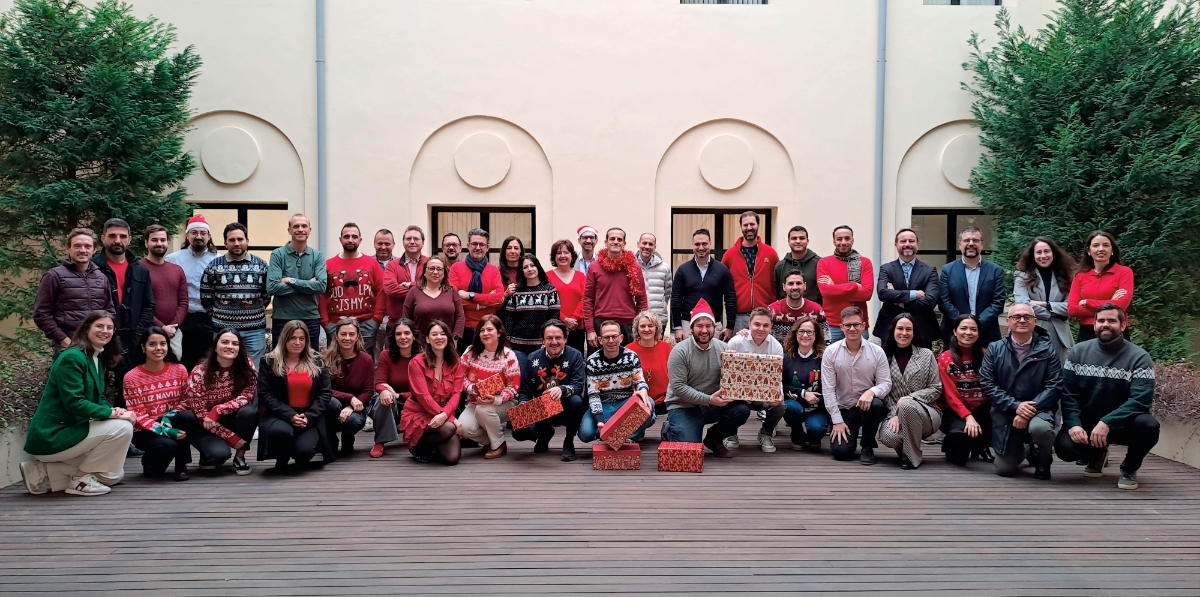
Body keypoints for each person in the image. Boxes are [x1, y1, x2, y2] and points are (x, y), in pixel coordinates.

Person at [20, 311, 134, 497]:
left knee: (113, 475)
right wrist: (113, 415)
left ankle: (41, 471)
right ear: (86, 329)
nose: (105, 331)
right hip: (53, 435)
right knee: (123, 427)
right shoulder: (72, 357)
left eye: (109, 327)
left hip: (75, 430)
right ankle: (79, 481)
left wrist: (113, 410)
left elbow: (98, 398)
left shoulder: (97, 358)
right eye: (99, 326)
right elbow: (74, 403)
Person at [1054, 304, 1159, 490]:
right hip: (1088, 422)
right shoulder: (1078, 352)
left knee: (1149, 426)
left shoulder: (1139, 357)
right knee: (1065, 448)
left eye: (1111, 320)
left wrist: (1107, 422)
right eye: (1101, 320)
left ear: (1123, 325)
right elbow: (1069, 394)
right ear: (1094, 324)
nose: (1105, 324)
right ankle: (1097, 454)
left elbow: (1140, 401)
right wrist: (1074, 423)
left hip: (1123, 424)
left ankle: (1129, 468)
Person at [979, 303, 1060, 479]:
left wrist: (1027, 410)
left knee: (1041, 429)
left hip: (1039, 409)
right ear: (1008, 321)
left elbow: (1054, 385)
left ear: (1035, 321)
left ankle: (1044, 460)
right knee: (1005, 469)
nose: (1022, 320)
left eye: (1027, 317)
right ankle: (1028, 449)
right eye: (1016, 317)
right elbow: (987, 383)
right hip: (1006, 410)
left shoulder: (1048, 349)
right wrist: (1016, 406)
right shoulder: (994, 348)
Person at [662, 299, 750, 457]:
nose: (704, 330)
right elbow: (679, 388)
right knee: (690, 451)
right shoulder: (680, 351)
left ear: (714, 328)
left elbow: (733, 383)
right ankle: (670, 429)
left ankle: (714, 439)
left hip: (711, 404)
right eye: (699, 326)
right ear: (691, 328)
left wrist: (732, 365)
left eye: (708, 326)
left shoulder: (723, 348)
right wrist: (709, 400)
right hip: (684, 406)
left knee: (741, 410)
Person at [174, 329, 258, 476]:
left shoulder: (247, 365)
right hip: (204, 422)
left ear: (240, 348)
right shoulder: (199, 371)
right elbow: (199, 411)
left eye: (234, 343)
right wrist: (228, 436)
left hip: (229, 416)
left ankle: (240, 457)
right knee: (218, 455)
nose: (230, 346)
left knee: (249, 412)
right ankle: (207, 454)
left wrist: (218, 410)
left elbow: (247, 396)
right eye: (225, 342)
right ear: (215, 347)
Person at [92, 218, 155, 413]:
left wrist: (138, 333)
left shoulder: (140, 270)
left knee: (127, 392)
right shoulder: (92, 268)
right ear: (103, 238)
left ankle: (125, 429)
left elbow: (148, 305)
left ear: (129, 239)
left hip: (131, 339)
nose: (117, 240)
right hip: (100, 338)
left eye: (122, 236)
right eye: (112, 236)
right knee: (95, 388)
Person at [257, 320, 334, 472]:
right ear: (284, 339)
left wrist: (309, 416)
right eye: (292, 338)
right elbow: (264, 394)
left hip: (308, 416)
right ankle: (282, 456)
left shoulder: (317, 360)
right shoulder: (269, 361)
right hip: (280, 414)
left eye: (301, 338)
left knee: (304, 452)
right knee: (281, 432)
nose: (297, 342)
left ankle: (298, 450)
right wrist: (290, 415)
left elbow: (325, 393)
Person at [821, 306, 890, 464]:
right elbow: (828, 390)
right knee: (841, 453)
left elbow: (885, 383)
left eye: (856, 324)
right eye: (848, 325)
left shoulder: (877, 352)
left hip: (867, 407)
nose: (852, 329)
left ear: (863, 325)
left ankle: (867, 446)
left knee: (876, 404)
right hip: (844, 408)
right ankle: (845, 432)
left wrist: (871, 392)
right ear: (841, 327)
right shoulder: (831, 352)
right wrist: (837, 421)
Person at [121, 326, 190, 481]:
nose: (158, 348)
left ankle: (181, 466)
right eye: (152, 344)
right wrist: (164, 430)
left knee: (187, 417)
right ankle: (149, 463)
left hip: (171, 421)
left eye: (163, 344)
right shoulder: (131, 377)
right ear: (143, 348)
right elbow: (137, 415)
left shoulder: (179, 369)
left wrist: (168, 417)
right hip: (145, 430)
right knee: (166, 449)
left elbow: (187, 401)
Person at [512, 319, 587, 461]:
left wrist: (562, 389)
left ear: (565, 339)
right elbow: (525, 391)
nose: (554, 342)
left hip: (566, 406)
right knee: (518, 431)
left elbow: (578, 386)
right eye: (549, 338)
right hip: (543, 407)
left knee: (576, 401)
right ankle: (545, 433)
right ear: (543, 340)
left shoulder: (575, 355)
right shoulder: (532, 358)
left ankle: (569, 441)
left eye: (558, 337)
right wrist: (523, 405)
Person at [200, 223, 271, 369]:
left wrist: (252, 311)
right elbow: (206, 297)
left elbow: (267, 294)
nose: (236, 243)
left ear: (247, 241)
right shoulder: (213, 266)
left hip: (254, 330)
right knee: (224, 370)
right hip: (223, 330)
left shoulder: (262, 265)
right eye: (232, 240)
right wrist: (221, 314)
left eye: (240, 239)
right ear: (225, 243)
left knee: (253, 371)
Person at [876, 314, 942, 469]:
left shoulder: (926, 355)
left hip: (927, 412)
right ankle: (908, 447)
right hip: (894, 412)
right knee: (888, 437)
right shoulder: (883, 357)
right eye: (900, 328)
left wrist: (911, 398)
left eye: (908, 329)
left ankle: (911, 458)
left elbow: (936, 388)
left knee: (907, 405)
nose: (904, 333)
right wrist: (896, 414)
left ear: (914, 332)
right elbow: (883, 391)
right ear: (893, 331)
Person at [33, 228, 114, 355]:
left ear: (94, 250)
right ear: (68, 249)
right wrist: (65, 341)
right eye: (77, 246)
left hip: (96, 348)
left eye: (87, 246)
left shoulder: (101, 278)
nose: (82, 250)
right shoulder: (54, 276)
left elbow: (109, 312)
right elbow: (41, 314)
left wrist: (104, 337)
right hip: (67, 348)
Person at [579, 320, 657, 445]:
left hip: (625, 403)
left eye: (614, 336)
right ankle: (619, 430)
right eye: (606, 337)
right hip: (603, 404)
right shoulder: (592, 361)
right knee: (585, 433)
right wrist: (599, 420)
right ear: (600, 340)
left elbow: (639, 381)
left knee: (649, 403)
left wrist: (643, 390)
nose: (611, 341)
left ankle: (629, 437)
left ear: (621, 338)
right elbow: (593, 395)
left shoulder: (631, 356)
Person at [401, 319, 465, 465]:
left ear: (448, 338)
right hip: (420, 411)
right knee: (449, 427)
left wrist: (445, 415)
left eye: (443, 334)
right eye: (434, 334)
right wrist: (450, 418)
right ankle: (418, 447)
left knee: (452, 459)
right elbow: (423, 397)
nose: (439, 337)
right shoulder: (417, 362)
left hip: (443, 411)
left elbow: (456, 394)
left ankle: (434, 446)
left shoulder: (456, 362)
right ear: (428, 339)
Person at [458, 315, 521, 459]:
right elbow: (459, 377)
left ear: (499, 332)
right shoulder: (470, 351)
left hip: (504, 403)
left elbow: (514, 387)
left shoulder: (509, 355)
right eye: (482, 330)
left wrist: (496, 399)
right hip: (475, 401)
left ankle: (497, 446)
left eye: (489, 330)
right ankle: (495, 440)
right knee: (464, 428)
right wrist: (472, 389)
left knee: (484, 409)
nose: (485, 333)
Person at [321, 223, 385, 357]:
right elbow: (321, 295)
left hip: (366, 324)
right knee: (336, 363)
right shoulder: (328, 265)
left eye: (354, 237)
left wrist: (376, 319)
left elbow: (381, 291)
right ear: (340, 240)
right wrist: (326, 323)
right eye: (346, 236)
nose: (350, 240)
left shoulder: (371, 263)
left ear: (360, 240)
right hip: (336, 324)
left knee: (365, 362)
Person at [727, 307, 786, 453]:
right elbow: (727, 374)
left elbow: (777, 376)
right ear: (749, 324)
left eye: (766, 325)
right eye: (757, 324)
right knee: (728, 400)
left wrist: (778, 394)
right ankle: (730, 432)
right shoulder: (735, 342)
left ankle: (766, 434)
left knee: (780, 405)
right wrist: (741, 394)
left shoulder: (776, 347)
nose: (761, 329)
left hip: (764, 394)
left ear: (771, 327)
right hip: (739, 394)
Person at [267, 214, 327, 351]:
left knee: (311, 361)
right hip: (283, 318)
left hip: (310, 318)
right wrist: (308, 285)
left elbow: (321, 286)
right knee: (280, 361)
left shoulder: (317, 256)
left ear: (310, 230)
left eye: (304, 226)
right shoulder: (277, 254)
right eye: (296, 226)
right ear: (289, 230)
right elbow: (272, 288)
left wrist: (291, 281)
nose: (300, 229)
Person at [938, 314, 992, 466]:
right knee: (959, 456)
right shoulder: (945, 359)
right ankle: (951, 444)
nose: (968, 332)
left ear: (978, 333)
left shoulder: (987, 355)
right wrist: (968, 417)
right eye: (963, 328)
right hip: (954, 412)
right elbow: (950, 396)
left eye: (973, 329)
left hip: (982, 410)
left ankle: (981, 443)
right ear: (955, 331)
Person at [939, 226, 1006, 347]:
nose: (971, 244)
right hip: (955, 335)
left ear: (982, 244)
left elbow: (998, 302)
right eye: (966, 240)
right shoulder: (947, 270)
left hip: (987, 334)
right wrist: (963, 325)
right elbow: (944, 302)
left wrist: (977, 325)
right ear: (959, 244)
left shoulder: (995, 271)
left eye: (975, 240)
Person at [166, 214, 219, 368]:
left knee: (209, 364)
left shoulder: (218, 260)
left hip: (210, 320)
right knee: (182, 362)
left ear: (209, 236)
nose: (198, 236)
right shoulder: (172, 260)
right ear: (187, 235)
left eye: (203, 233)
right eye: (194, 232)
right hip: (183, 320)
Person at [1013, 236, 1076, 362]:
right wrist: (1052, 313)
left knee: (1057, 370)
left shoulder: (1067, 276)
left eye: (1046, 251)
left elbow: (1070, 306)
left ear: (1054, 253)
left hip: (1059, 333)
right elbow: (1022, 304)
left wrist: (1045, 304)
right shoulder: (1022, 276)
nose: (1043, 256)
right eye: (1039, 252)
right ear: (1033, 256)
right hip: (1031, 331)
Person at [874, 229, 940, 349]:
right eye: (903, 241)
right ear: (896, 244)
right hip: (890, 327)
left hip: (922, 328)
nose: (907, 244)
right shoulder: (886, 269)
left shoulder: (930, 270)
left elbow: (931, 300)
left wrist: (899, 302)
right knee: (889, 361)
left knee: (923, 361)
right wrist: (914, 294)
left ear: (917, 244)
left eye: (911, 241)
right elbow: (883, 293)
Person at [584, 227, 648, 348]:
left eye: (619, 239)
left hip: (628, 324)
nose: (615, 241)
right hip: (601, 324)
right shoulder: (594, 267)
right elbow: (588, 299)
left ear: (624, 244)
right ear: (606, 242)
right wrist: (590, 329)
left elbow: (642, 300)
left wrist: (641, 326)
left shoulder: (635, 267)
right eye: (612, 239)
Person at [671, 228, 737, 342]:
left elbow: (730, 299)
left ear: (710, 244)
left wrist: (730, 326)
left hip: (714, 325)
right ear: (692, 245)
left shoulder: (722, 270)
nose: (701, 247)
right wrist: (677, 327)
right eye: (697, 244)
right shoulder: (683, 270)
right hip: (688, 326)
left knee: (713, 354)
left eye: (704, 244)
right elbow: (676, 299)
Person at [1068, 230, 1134, 342]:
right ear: (1089, 251)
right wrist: (1110, 304)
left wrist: (1087, 302)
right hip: (1087, 332)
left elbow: (1122, 305)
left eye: (1106, 245)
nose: (1101, 249)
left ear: (1112, 250)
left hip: (1115, 330)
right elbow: (1072, 310)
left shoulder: (1124, 272)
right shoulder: (1080, 276)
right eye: (1096, 245)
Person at [322, 320, 374, 457]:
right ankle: (331, 438)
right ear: (336, 336)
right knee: (330, 403)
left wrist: (351, 406)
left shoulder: (366, 359)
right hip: (331, 405)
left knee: (353, 422)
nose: (347, 338)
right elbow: (323, 389)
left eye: (351, 334)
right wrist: (350, 398)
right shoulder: (324, 358)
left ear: (357, 337)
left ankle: (348, 437)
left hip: (356, 407)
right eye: (343, 334)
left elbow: (368, 391)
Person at [449, 228, 505, 353]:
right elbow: (453, 299)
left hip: (488, 328)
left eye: (482, 244)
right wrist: (482, 304)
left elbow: (499, 296)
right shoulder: (456, 268)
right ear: (468, 245)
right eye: (474, 244)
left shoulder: (494, 270)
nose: (478, 247)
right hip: (463, 328)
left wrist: (470, 295)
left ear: (487, 247)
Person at [721, 211, 779, 331]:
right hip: (739, 317)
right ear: (741, 227)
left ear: (758, 225)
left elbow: (778, 282)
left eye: (752, 224)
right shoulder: (729, 255)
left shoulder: (770, 253)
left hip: (765, 315)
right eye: (745, 225)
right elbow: (722, 284)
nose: (749, 228)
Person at [371, 318, 420, 458]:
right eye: (398, 334)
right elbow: (379, 383)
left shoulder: (422, 357)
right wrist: (384, 390)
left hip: (415, 401)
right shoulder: (385, 355)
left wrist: (400, 395)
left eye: (407, 333)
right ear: (394, 337)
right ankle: (380, 442)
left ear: (414, 336)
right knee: (383, 398)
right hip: (392, 402)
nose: (403, 337)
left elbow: (424, 390)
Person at [817, 226, 874, 342]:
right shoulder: (823, 262)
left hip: (858, 323)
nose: (843, 242)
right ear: (834, 241)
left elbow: (866, 294)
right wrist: (854, 285)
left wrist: (834, 288)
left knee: (860, 354)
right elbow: (825, 292)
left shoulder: (865, 262)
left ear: (852, 240)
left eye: (847, 238)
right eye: (839, 239)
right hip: (832, 324)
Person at [781, 315, 829, 452]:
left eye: (810, 332)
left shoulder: (825, 358)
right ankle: (797, 433)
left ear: (816, 335)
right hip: (794, 404)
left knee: (816, 429)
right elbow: (780, 385)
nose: (805, 335)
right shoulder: (786, 357)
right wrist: (803, 393)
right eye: (801, 331)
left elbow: (831, 385)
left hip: (818, 406)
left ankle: (813, 437)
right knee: (789, 407)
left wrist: (816, 395)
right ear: (795, 333)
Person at [141, 225, 188, 362]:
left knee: (174, 367)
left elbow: (183, 302)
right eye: (154, 240)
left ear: (168, 242)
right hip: (148, 331)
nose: (159, 243)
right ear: (146, 243)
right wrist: (161, 328)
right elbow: (139, 304)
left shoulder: (177, 270)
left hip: (174, 333)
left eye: (163, 240)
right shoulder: (138, 269)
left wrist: (173, 327)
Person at [502, 254, 560, 362]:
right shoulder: (515, 292)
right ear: (522, 271)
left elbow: (554, 319)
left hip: (542, 345)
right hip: (517, 346)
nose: (529, 269)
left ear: (538, 267)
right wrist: (507, 342)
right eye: (525, 267)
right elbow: (509, 319)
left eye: (532, 265)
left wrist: (548, 341)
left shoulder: (550, 290)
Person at [383, 225, 429, 343]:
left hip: (424, 325)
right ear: (403, 242)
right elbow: (390, 289)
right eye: (408, 239)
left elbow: (435, 286)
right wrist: (421, 291)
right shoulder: (392, 265)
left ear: (423, 243)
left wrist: (410, 284)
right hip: (397, 325)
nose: (412, 242)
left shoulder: (430, 264)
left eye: (416, 239)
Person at [403, 256, 465, 342]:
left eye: (439, 269)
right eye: (431, 268)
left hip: (446, 344)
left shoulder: (452, 291)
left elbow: (460, 316)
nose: (435, 272)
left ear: (444, 273)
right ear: (424, 272)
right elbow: (406, 319)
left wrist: (455, 339)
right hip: (420, 344)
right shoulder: (414, 291)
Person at [626, 310, 672, 416]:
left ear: (656, 328)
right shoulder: (628, 350)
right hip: (638, 402)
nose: (646, 329)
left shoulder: (666, 347)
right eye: (642, 326)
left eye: (650, 326)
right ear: (637, 329)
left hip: (665, 403)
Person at [768, 270, 827, 346]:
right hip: (780, 352)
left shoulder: (817, 310)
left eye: (798, 283)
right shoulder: (772, 310)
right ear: (784, 287)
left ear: (805, 286)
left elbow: (826, 339)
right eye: (790, 283)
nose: (795, 287)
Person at [548, 239, 587, 352]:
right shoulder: (547, 277)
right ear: (554, 257)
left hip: (577, 326)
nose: (562, 256)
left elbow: (585, 299)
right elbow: (548, 302)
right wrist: (564, 319)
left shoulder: (581, 276)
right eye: (559, 253)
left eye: (566, 252)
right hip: (555, 327)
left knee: (575, 357)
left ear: (572, 256)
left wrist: (573, 319)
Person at [635, 233, 672, 335]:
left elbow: (667, 293)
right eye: (644, 243)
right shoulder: (630, 265)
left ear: (655, 247)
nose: (647, 247)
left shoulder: (664, 267)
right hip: (636, 319)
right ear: (638, 244)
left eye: (650, 244)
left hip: (658, 318)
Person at [774, 225, 822, 304]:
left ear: (807, 241)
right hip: (787, 310)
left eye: (802, 238)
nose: (798, 241)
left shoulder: (819, 263)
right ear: (788, 242)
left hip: (813, 310)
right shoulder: (780, 267)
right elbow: (777, 293)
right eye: (794, 238)